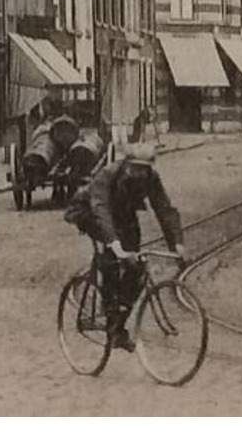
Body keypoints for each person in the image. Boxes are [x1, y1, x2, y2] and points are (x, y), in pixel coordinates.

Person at [64, 143, 187, 351]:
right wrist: (115, 245)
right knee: (112, 261)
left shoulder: (150, 178)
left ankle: (118, 324)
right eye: (136, 169)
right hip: (89, 212)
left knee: (136, 267)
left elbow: (164, 208)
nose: (139, 174)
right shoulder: (109, 174)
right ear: (127, 165)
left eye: (144, 169)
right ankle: (110, 310)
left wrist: (177, 244)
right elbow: (100, 209)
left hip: (123, 215)